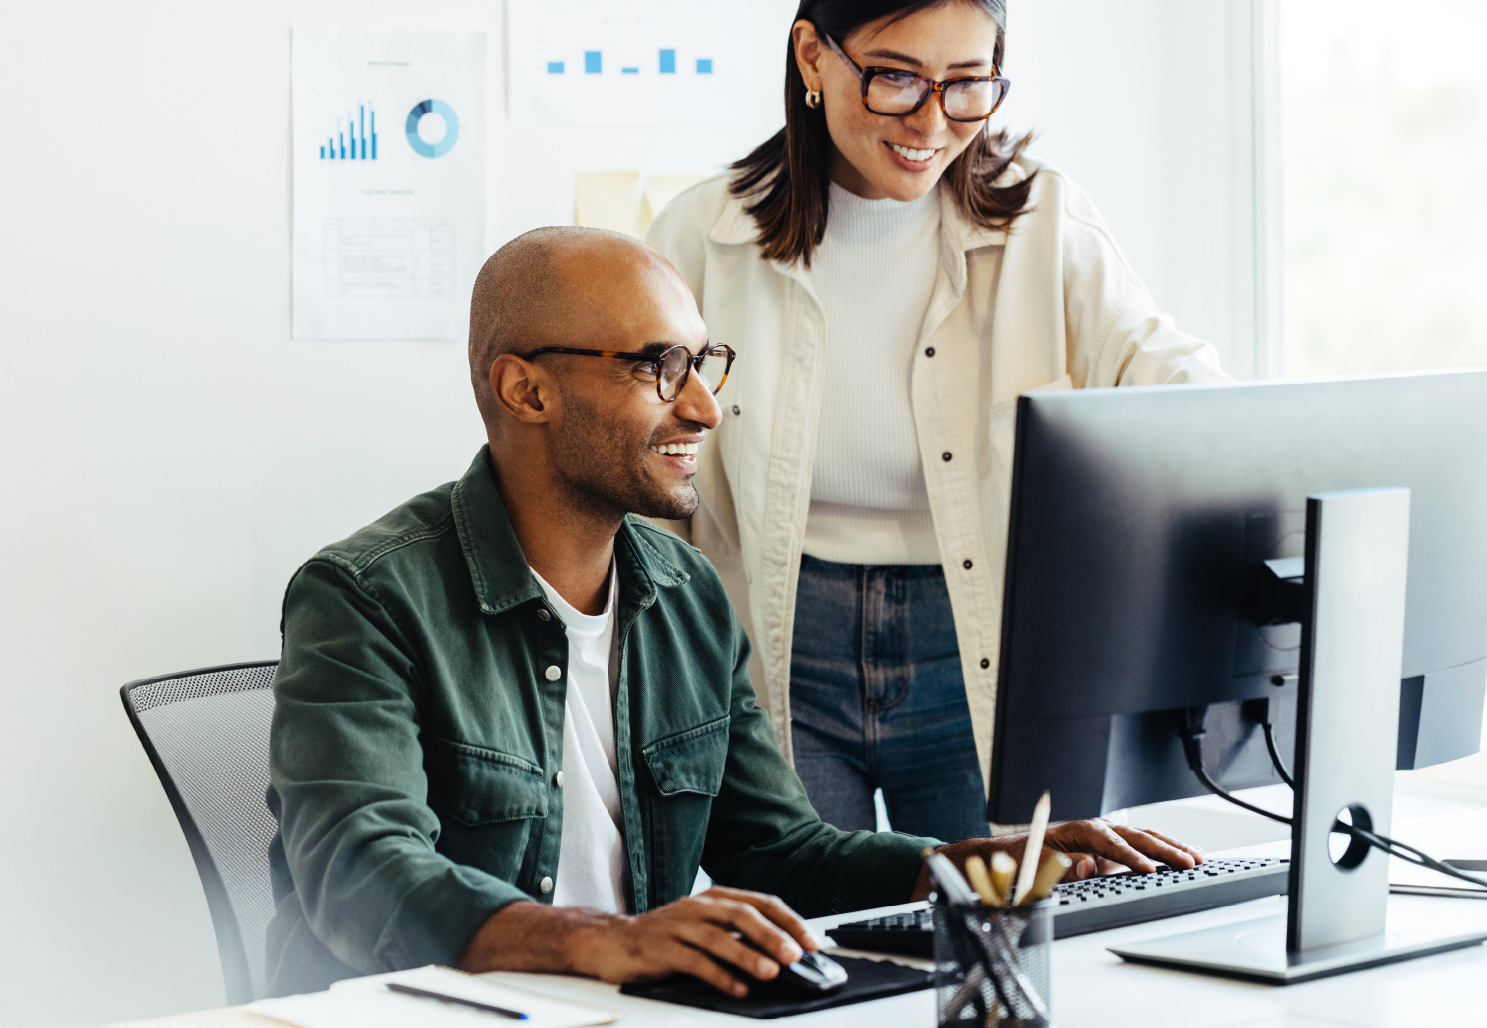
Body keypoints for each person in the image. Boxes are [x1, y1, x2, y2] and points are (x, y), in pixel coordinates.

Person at [262, 226, 1204, 998]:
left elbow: (783, 850)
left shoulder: (683, 590)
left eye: (704, 362)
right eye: (660, 368)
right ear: (527, 389)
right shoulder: (365, 597)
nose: (707, 409)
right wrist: (604, 942)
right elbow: (359, 871)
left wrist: (976, 870)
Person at [642, 0, 1228, 841]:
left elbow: (1182, 391)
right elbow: (636, 448)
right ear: (812, 56)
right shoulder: (703, 234)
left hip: (976, 640)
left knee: (997, 934)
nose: (930, 120)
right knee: (821, 943)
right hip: (779, 642)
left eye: (967, 86)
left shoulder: (1045, 224)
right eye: (896, 78)